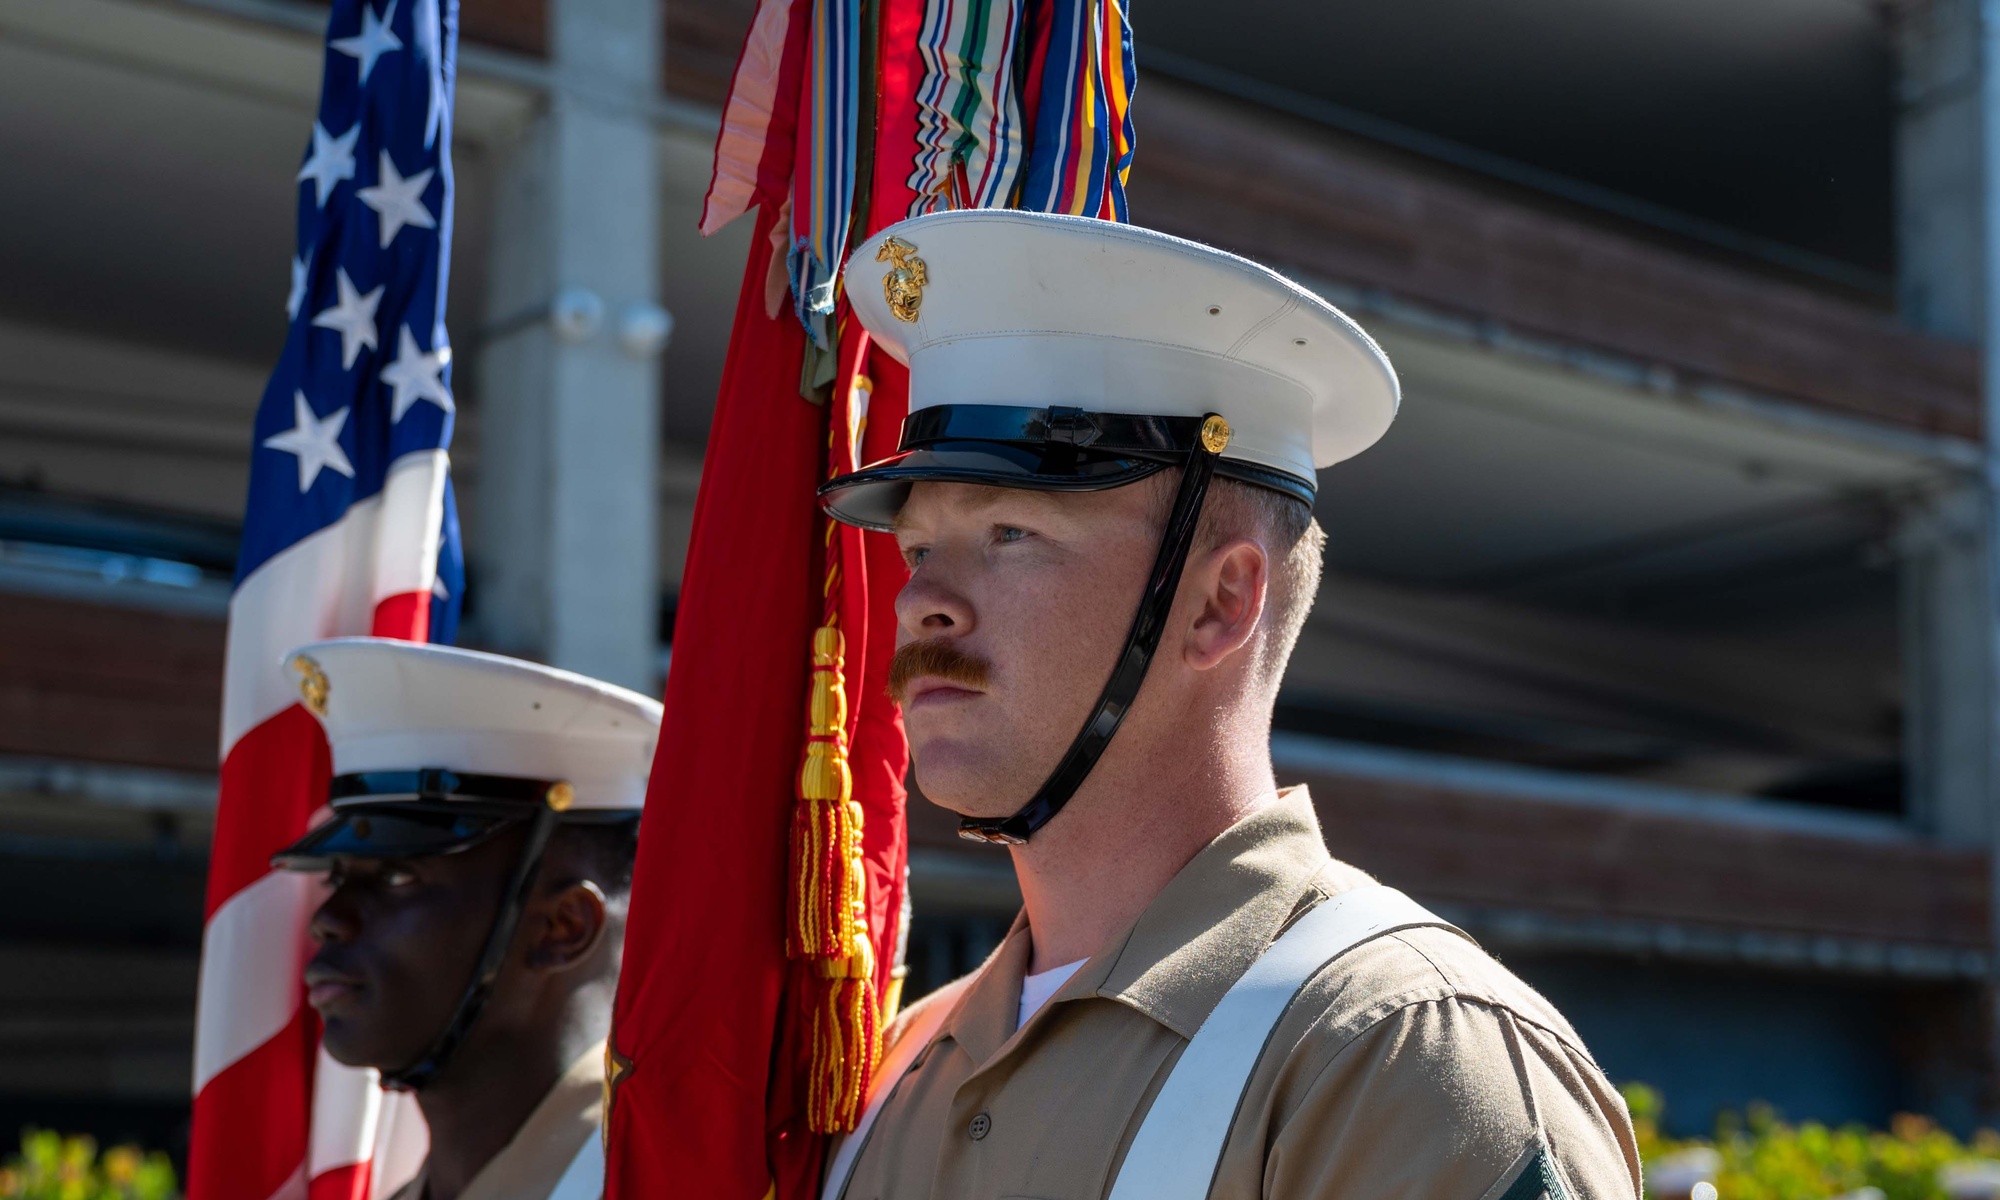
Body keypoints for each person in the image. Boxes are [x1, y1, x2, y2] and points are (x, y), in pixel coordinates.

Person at [812, 211, 1643, 1200]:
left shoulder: (1400, 1062)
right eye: (916, 548)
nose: (919, 601)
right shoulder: (897, 1066)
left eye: (1009, 532)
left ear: (1217, 603)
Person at [269, 637, 660, 1200]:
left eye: (397, 878)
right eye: (336, 878)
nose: (328, 919)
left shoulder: (667, 1181)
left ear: (562, 928)